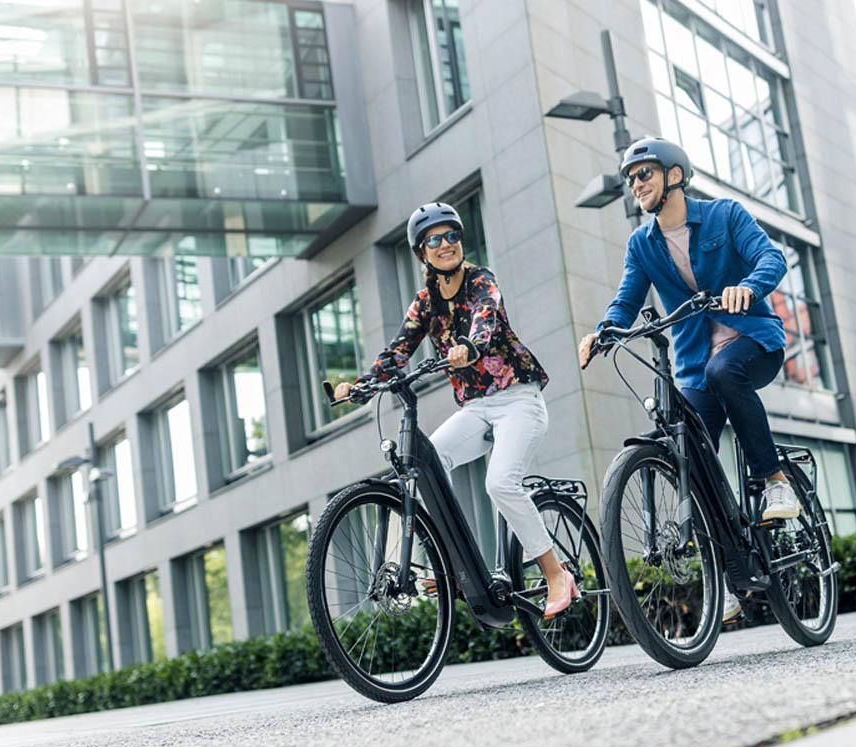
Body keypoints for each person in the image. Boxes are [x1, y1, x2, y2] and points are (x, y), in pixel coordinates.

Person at [577, 137, 799, 622]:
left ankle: (774, 479)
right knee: (686, 450)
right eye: (631, 178)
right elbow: (627, 299)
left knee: (727, 372)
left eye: (645, 174)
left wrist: (749, 287)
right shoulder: (642, 243)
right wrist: (604, 331)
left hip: (753, 341)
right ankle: (730, 569)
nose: (636, 184)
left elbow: (772, 258)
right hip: (695, 361)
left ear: (675, 175)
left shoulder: (724, 215)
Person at [334, 202, 577, 618]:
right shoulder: (425, 302)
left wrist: (471, 346)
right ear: (421, 253)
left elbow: (485, 316)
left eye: (452, 236)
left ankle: (556, 573)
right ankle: (446, 562)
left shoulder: (482, 280)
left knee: (500, 483)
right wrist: (361, 385)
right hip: (476, 408)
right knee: (424, 463)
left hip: (518, 398)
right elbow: (397, 351)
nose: (446, 244)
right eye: (434, 239)